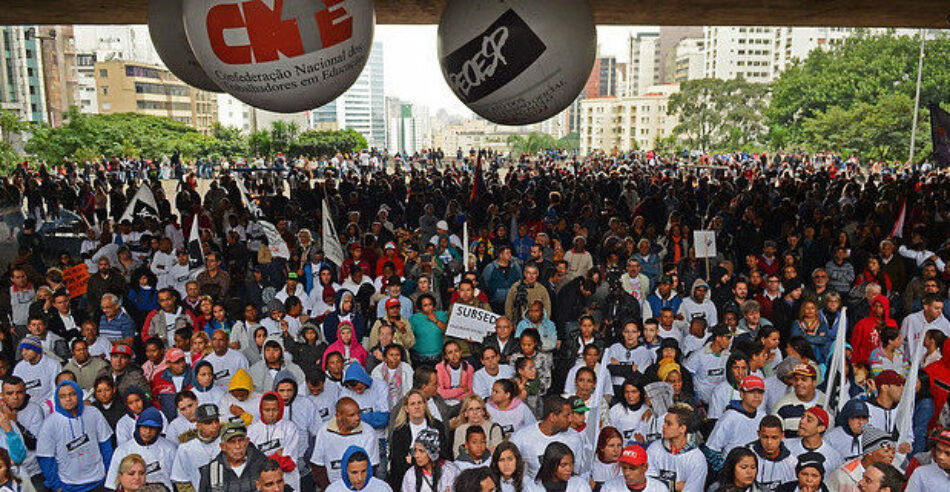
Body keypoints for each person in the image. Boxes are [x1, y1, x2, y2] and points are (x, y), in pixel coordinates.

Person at [37, 380, 115, 492]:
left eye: (72, 394)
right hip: (69, 485)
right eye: (63, 396)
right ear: (57, 399)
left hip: (99, 480)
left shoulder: (94, 413)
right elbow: (46, 458)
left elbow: (106, 445)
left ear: (79, 394)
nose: (68, 399)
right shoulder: (50, 424)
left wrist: (110, 473)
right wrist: (57, 486)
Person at [310, 397, 380, 490]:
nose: (358, 418)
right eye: (352, 415)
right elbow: (318, 465)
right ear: (338, 416)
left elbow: (372, 467)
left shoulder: (369, 432)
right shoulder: (324, 431)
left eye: (359, 413)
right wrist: (330, 489)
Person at [509, 396, 585, 480]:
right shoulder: (521, 437)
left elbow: (576, 472)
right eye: (567, 415)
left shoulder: (574, 437)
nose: (571, 419)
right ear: (552, 417)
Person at [388, 390, 450, 489]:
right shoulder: (399, 432)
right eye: (412, 404)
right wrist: (426, 458)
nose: (417, 407)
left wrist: (412, 460)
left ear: (425, 405)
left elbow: (443, 454)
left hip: (435, 476)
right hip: (407, 479)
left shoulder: (437, 426)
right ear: (406, 408)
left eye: (420, 403)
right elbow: (398, 463)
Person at [106, 407, 177, 490]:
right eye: (144, 427)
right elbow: (112, 483)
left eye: (152, 428)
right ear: (138, 427)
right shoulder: (123, 450)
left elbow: (177, 479)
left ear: (159, 430)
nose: (147, 432)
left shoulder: (169, 448)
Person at [645, 404, 707, 492]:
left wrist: (660, 483)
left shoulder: (697, 459)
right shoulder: (654, 448)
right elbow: (648, 485)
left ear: (682, 428)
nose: (663, 426)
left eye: (669, 424)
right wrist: (674, 486)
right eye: (664, 422)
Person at [248, 392, 301, 491]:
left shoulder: (290, 428)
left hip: (288, 482)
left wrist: (263, 459)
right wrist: (277, 456)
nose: (271, 414)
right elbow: (252, 465)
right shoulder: (251, 431)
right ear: (261, 409)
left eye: (275, 410)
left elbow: (288, 463)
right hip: (265, 486)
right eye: (267, 410)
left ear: (280, 409)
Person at [198, 423, 270, 492]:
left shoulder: (264, 464)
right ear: (222, 446)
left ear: (247, 441)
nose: (238, 446)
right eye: (231, 442)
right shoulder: (210, 471)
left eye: (241, 440)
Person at [707, 375, 767, 457]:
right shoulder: (729, 417)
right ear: (742, 394)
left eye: (760, 392)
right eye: (751, 392)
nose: (756, 396)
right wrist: (727, 468)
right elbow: (711, 449)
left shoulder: (763, 416)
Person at [827, 426, 896, 492]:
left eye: (893, 452)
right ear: (870, 452)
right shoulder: (843, 475)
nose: (891, 455)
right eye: (886, 451)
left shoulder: (893, 472)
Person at [171, 404, 222, 492]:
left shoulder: (227, 441)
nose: (215, 425)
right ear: (198, 425)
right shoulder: (186, 448)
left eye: (216, 421)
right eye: (208, 422)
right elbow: (181, 480)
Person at [785, 406, 843, 475]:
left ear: (821, 428)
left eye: (809, 420)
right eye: (802, 417)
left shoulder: (834, 456)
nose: (802, 421)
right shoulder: (786, 446)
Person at [747, 416, 796, 491]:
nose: (769, 442)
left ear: (782, 435)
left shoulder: (791, 462)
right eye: (765, 437)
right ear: (758, 434)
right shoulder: (747, 455)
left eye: (774, 437)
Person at [12, 334, 59, 402]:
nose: (23, 353)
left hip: (48, 405)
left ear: (37, 350)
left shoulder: (53, 365)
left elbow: (55, 390)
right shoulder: (19, 367)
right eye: (22, 350)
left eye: (27, 350)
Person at [601, 444, 666, 492]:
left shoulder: (659, 489)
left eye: (632, 468)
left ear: (645, 467)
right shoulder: (609, 487)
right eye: (624, 468)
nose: (626, 473)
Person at [326, 445, 393, 492]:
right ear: (345, 471)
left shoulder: (382, 488)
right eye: (354, 473)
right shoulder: (333, 490)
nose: (360, 478)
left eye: (363, 471)